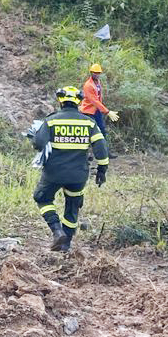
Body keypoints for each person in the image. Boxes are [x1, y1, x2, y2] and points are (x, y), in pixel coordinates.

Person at [32, 86, 109, 252]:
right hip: (78, 175)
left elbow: (38, 144)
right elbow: (101, 147)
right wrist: (102, 169)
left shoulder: (51, 121)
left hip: (53, 173)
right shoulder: (89, 122)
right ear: (79, 102)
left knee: (42, 198)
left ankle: (57, 231)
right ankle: (65, 244)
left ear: (60, 101)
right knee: (73, 205)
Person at [79, 63, 118, 156]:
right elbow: (94, 101)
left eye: (98, 73)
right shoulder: (88, 85)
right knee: (88, 133)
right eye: (95, 72)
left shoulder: (98, 82)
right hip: (87, 112)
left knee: (102, 131)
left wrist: (101, 109)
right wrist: (107, 111)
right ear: (91, 73)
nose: (96, 74)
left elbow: (98, 99)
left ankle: (106, 153)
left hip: (96, 111)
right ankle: (84, 155)